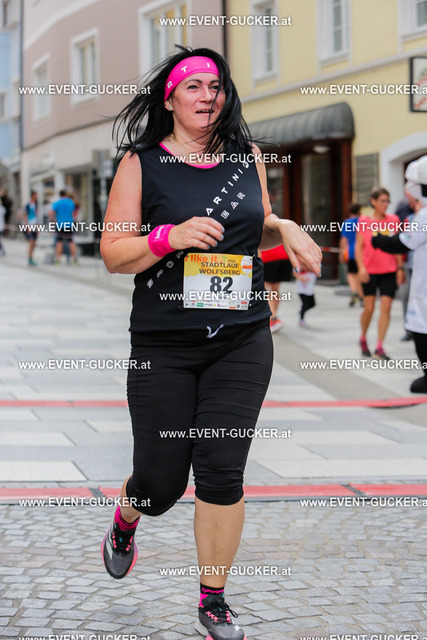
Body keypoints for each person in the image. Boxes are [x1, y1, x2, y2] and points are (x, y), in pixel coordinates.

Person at [99, 46, 322, 640]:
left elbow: (257, 222)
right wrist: (168, 238)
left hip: (241, 336)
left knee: (222, 470)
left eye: (216, 86)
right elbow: (114, 253)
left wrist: (285, 226)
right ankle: (129, 512)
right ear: (170, 98)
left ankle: (213, 599)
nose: (208, 95)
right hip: (164, 343)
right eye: (194, 86)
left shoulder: (247, 155)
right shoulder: (142, 163)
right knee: (162, 482)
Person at [372, 159, 427, 393]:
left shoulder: (424, 216)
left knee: (421, 327)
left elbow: (403, 242)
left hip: (424, 285)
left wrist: (379, 240)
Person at [355, 187, 405, 360]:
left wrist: (400, 268)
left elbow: (396, 246)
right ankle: (363, 337)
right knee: (369, 308)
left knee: (387, 307)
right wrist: (361, 268)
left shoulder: (393, 220)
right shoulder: (364, 221)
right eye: (382, 201)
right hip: (369, 271)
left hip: (389, 270)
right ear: (373, 201)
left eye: (387, 201)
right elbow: (358, 247)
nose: (385, 204)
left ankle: (379, 346)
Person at [261, 244, 292, 332]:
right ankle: (273, 317)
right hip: (283, 255)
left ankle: (272, 318)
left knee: (265, 289)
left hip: (268, 257)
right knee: (274, 289)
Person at [339, 202, 363, 306]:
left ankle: (354, 291)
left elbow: (344, 239)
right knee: (358, 274)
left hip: (351, 252)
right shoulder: (362, 222)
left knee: (351, 274)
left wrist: (341, 252)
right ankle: (361, 296)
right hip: (362, 251)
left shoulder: (347, 223)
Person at [49, 189, 77, 263]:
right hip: (69, 224)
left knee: (59, 242)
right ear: (66, 194)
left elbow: (51, 212)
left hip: (60, 224)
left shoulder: (57, 203)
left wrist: (52, 220)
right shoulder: (71, 202)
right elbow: (74, 213)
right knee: (71, 241)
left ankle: (58, 260)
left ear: (60, 195)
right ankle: (74, 259)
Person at [24, 190, 39, 266]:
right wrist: (27, 226)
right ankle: (29, 258)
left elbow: (36, 217)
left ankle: (31, 257)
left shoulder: (36, 205)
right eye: (35, 197)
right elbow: (25, 215)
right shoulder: (28, 205)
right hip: (30, 225)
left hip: (35, 225)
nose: (36, 198)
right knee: (31, 242)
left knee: (34, 243)